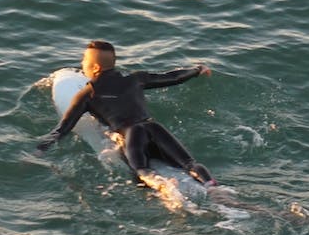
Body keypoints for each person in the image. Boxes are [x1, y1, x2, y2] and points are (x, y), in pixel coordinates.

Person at [37, 40, 217, 182]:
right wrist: (197, 69)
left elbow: (63, 129)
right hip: (153, 128)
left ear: (96, 67)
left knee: (142, 172)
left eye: (84, 60)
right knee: (190, 164)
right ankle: (212, 187)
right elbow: (171, 77)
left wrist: (40, 149)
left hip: (131, 135)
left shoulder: (87, 93)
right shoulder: (136, 79)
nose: (82, 63)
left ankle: (162, 186)